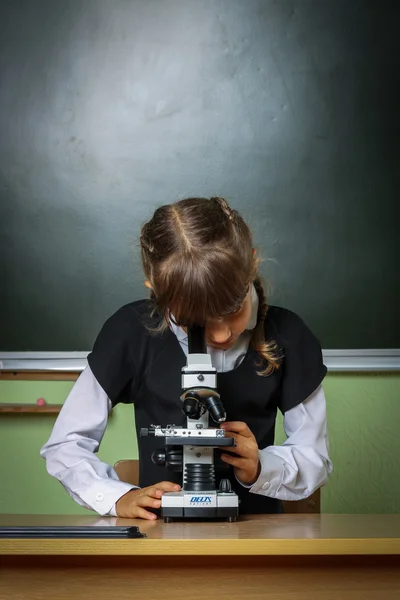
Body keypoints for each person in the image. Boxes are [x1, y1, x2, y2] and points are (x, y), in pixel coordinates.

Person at [41, 197, 332, 519]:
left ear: (251, 264)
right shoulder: (131, 331)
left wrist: (261, 467)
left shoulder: (288, 334)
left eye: (233, 309)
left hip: (254, 534)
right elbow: (65, 445)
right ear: (155, 288)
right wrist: (116, 497)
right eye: (196, 319)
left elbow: (313, 456)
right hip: (160, 537)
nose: (221, 335)